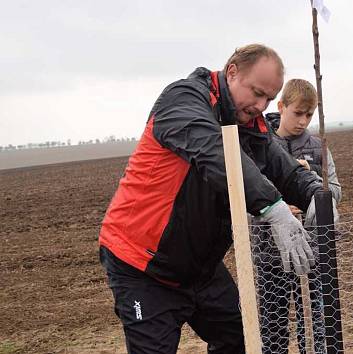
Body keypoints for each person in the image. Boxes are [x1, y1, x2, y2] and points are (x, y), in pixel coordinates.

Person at [99, 44, 325, 353]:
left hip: (199, 268)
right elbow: (213, 152)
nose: (261, 105)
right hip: (141, 264)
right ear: (232, 72)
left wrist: (316, 195)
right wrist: (272, 207)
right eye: (256, 93)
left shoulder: (249, 123)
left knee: (243, 341)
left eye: (270, 99)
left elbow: (282, 168)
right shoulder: (183, 100)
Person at [254, 79, 342, 354]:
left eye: (309, 115)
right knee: (273, 327)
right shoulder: (259, 145)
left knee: (319, 325)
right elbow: (245, 194)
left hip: (315, 252)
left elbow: (336, 193)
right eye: (297, 113)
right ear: (281, 107)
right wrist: (276, 207)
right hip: (270, 251)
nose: (303, 121)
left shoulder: (318, 148)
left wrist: (311, 182)